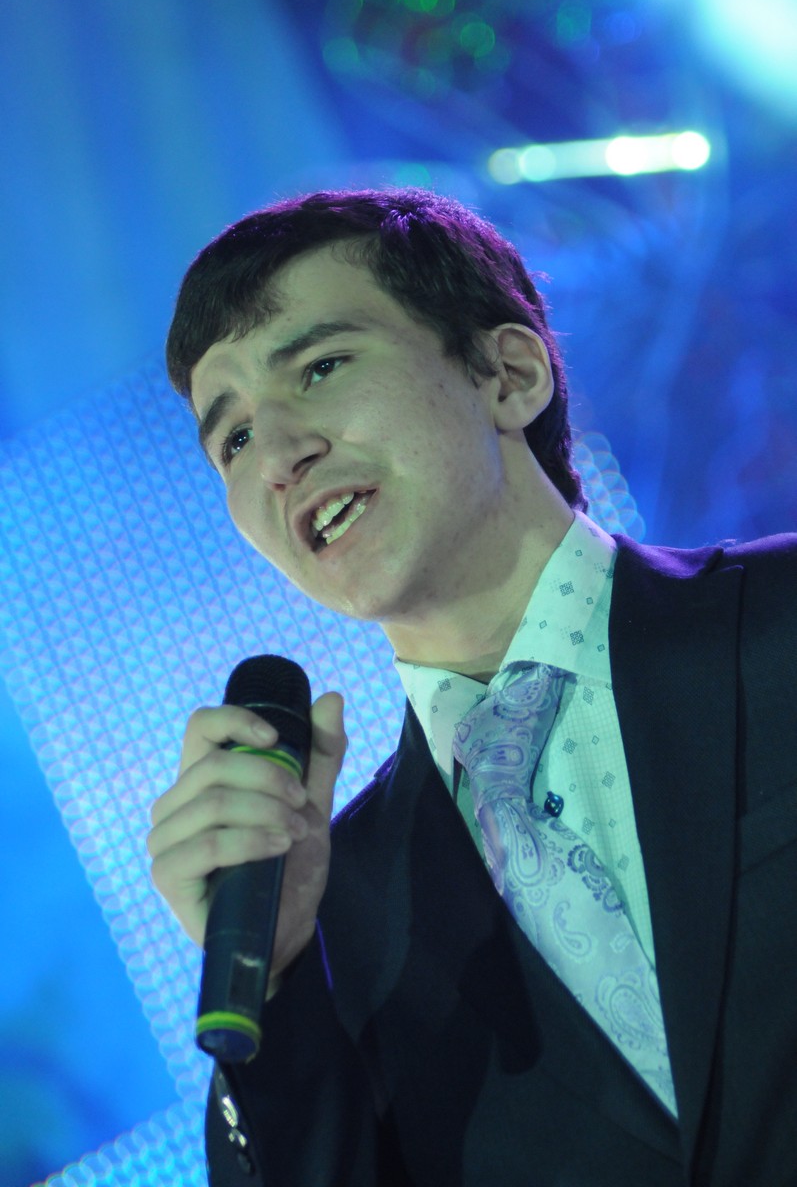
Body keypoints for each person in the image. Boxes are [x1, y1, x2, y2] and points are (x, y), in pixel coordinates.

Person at [148, 189, 797, 1187]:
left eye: (320, 367)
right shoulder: (322, 922)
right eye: (231, 440)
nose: (276, 457)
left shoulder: (778, 621)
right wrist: (275, 991)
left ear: (508, 374)